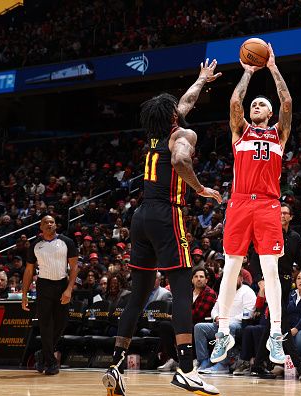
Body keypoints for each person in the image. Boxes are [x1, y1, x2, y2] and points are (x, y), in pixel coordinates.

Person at [102, 59, 222, 396]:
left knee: (138, 294)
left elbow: (182, 105)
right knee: (182, 288)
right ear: (172, 117)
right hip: (167, 214)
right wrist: (200, 189)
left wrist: (200, 80)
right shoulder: (183, 135)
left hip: (140, 217)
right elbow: (183, 160)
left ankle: (115, 364)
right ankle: (187, 369)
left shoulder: (157, 133)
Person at [212, 43, 292, 366]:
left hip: (269, 205)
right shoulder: (240, 132)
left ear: (269, 113)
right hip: (240, 202)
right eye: (254, 104)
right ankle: (222, 333)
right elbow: (234, 102)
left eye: (261, 104)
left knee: (271, 270)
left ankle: (275, 334)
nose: (256, 106)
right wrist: (247, 73)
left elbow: (286, 100)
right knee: (231, 267)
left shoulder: (279, 135)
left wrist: (272, 67)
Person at [248, 203, 301, 379]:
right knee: (283, 322)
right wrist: (260, 280)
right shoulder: (267, 233)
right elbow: (254, 260)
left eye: (286, 213)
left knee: (273, 323)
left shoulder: (295, 237)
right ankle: (299, 364)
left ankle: (257, 365)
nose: (283, 215)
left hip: (286, 283)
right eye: (280, 213)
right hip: (271, 282)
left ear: (291, 217)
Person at [22, 215, 79, 375]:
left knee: (61, 323)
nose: (49, 224)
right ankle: (51, 363)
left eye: (51, 222)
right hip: (43, 286)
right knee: (46, 325)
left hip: (62, 284)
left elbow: (74, 267)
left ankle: (42, 354)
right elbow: (28, 270)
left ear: (56, 225)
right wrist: (24, 294)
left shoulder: (66, 242)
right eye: (45, 222)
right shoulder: (35, 245)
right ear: (40, 227)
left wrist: (69, 289)